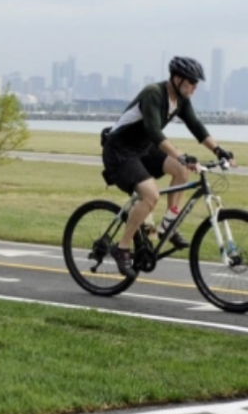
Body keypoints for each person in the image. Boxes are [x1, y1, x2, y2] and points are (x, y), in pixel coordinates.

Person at [100, 56, 235, 277]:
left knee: (182, 171)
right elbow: (154, 131)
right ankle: (122, 248)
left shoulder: (181, 100)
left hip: (143, 149)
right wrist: (180, 154)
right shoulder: (153, 93)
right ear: (177, 78)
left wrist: (219, 150)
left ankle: (168, 225)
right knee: (151, 196)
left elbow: (196, 126)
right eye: (191, 82)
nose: (194, 88)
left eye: (196, 83)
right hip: (119, 151)